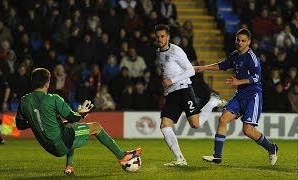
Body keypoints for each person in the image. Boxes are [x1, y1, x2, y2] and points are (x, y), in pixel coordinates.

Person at [15, 68, 142, 174]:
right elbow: (73, 117)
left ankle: (69, 166)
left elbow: (20, 125)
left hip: (47, 146)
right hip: (60, 143)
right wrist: (81, 113)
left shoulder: (24, 101)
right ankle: (122, 156)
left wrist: (36, 122)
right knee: (96, 127)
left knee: (71, 127)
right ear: (47, 83)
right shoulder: (53, 99)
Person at [194, 28, 279, 165]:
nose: (239, 43)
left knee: (248, 130)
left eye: (243, 41)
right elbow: (223, 65)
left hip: (253, 96)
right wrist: (204, 67)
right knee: (223, 119)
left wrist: (238, 81)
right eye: (238, 40)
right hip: (240, 95)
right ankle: (217, 156)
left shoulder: (252, 58)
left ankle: (271, 148)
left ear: (249, 42)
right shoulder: (235, 55)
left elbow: (256, 77)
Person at [154, 24, 226, 167]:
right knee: (164, 125)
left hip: (184, 90)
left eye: (162, 36)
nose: (160, 39)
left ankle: (212, 101)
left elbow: (190, 71)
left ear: (168, 37)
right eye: (157, 37)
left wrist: (171, 80)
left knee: (196, 124)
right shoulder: (158, 52)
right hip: (171, 94)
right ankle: (180, 158)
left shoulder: (176, 50)